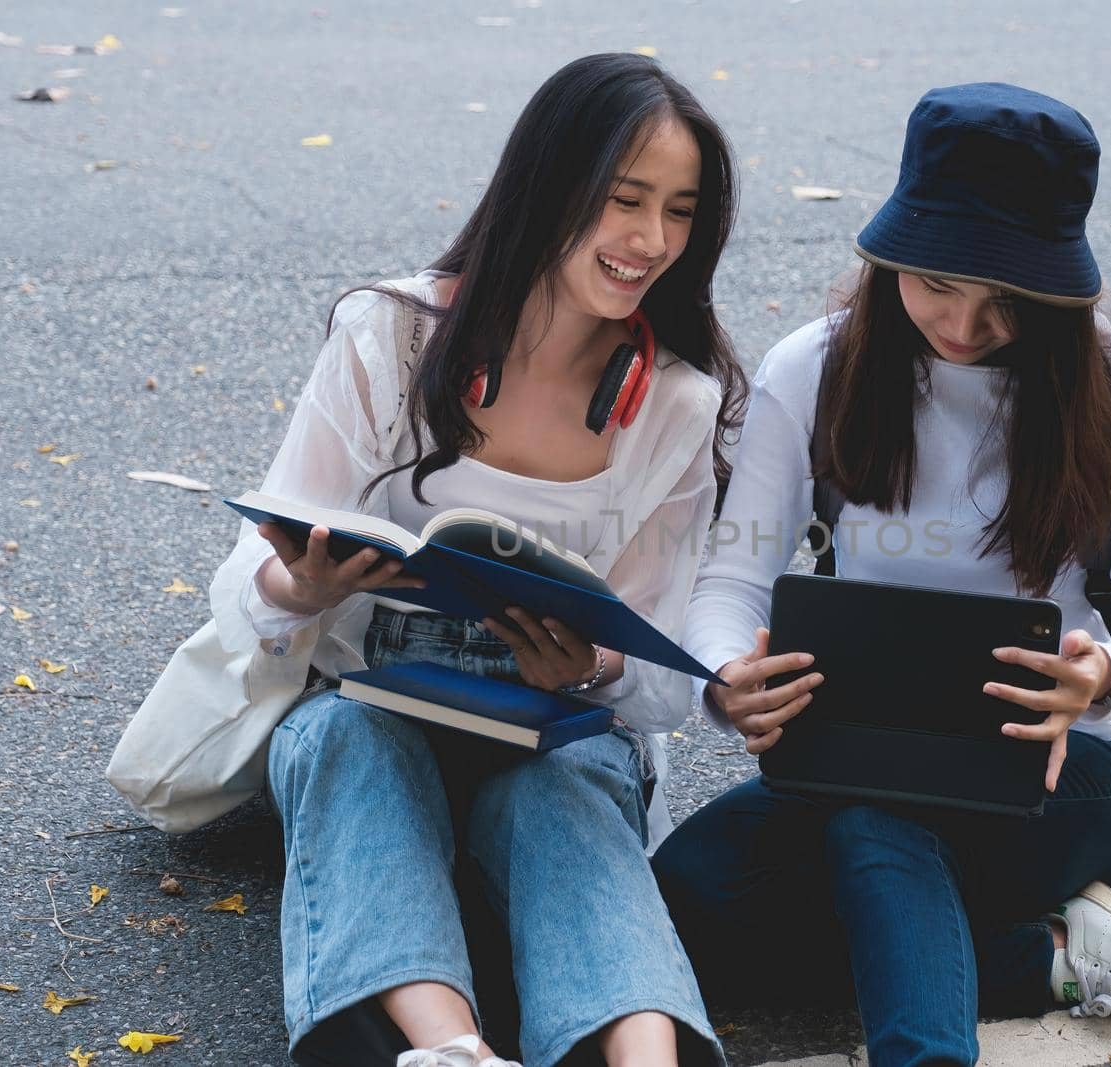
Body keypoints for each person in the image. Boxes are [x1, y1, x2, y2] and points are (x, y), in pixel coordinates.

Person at [651, 83, 1111, 1066]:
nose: (963, 325)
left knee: (876, 821)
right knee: (685, 896)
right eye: (934, 285)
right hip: (861, 747)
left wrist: (1097, 677)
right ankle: (1053, 954)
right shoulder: (816, 366)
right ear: (888, 259)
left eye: (1006, 300)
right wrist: (725, 676)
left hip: (1071, 763)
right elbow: (730, 583)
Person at [207, 53, 746, 1067]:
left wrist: (590, 666)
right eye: (625, 199)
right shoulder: (393, 336)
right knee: (342, 738)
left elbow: (660, 674)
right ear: (551, 184)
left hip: (551, 730)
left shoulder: (675, 399)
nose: (650, 241)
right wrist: (307, 582)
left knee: (578, 777)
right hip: (374, 707)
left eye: (678, 211)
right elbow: (251, 583)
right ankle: (446, 1049)